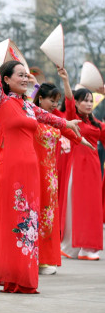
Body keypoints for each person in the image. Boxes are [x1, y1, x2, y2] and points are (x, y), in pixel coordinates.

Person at [0, 27, 80, 294]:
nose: (26, 78)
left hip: (30, 171)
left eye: (27, 75)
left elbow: (51, 118)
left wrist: (69, 123)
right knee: (7, 221)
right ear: (7, 80)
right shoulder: (0, 100)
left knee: (26, 223)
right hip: (9, 170)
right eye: (20, 75)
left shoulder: (28, 106)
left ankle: (20, 277)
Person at [33, 79, 85, 274]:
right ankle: (33, 258)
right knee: (35, 215)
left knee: (48, 216)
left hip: (50, 176)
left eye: (57, 101)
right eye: (52, 100)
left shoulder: (54, 119)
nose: (55, 105)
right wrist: (34, 85)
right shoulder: (31, 117)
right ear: (39, 99)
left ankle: (45, 259)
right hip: (34, 172)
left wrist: (83, 141)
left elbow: (69, 127)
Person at [59, 73, 105, 260]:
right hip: (76, 167)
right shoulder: (72, 119)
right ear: (77, 104)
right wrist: (66, 81)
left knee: (92, 207)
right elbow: (68, 101)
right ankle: (71, 247)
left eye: (90, 100)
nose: (87, 104)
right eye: (84, 100)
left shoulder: (98, 125)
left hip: (94, 169)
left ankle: (89, 247)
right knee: (75, 206)